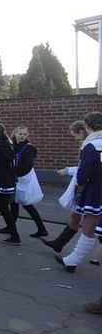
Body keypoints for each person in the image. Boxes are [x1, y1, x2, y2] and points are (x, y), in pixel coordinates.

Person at [54, 112, 102, 273]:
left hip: (96, 190)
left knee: (89, 225)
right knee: (91, 225)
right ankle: (72, 260)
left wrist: (80, 186)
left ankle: (73, 260)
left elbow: (83, 173)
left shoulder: (91, 145)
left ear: (87, 127)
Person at [43, 121, 88, 253]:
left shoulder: (89, 146)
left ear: (80, 132)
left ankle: (73, 252)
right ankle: (59, 243)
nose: (74, 138)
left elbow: (86, 169)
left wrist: (68, 170)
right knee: (76, 217)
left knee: (88, 222)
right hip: (83, 187)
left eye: (74, 135)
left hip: (86, 188)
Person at [0, 126, 48, 238]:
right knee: (14, 203)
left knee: (26, 204)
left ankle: (42, 229)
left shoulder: (28, 148)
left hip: (22, 179)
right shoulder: (13, 146)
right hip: (15, 178)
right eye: (20, 134)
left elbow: (27, 165)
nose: (22, 136)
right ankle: (11, 227)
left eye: (24, 134)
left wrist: (14, 172)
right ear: (15, 133)